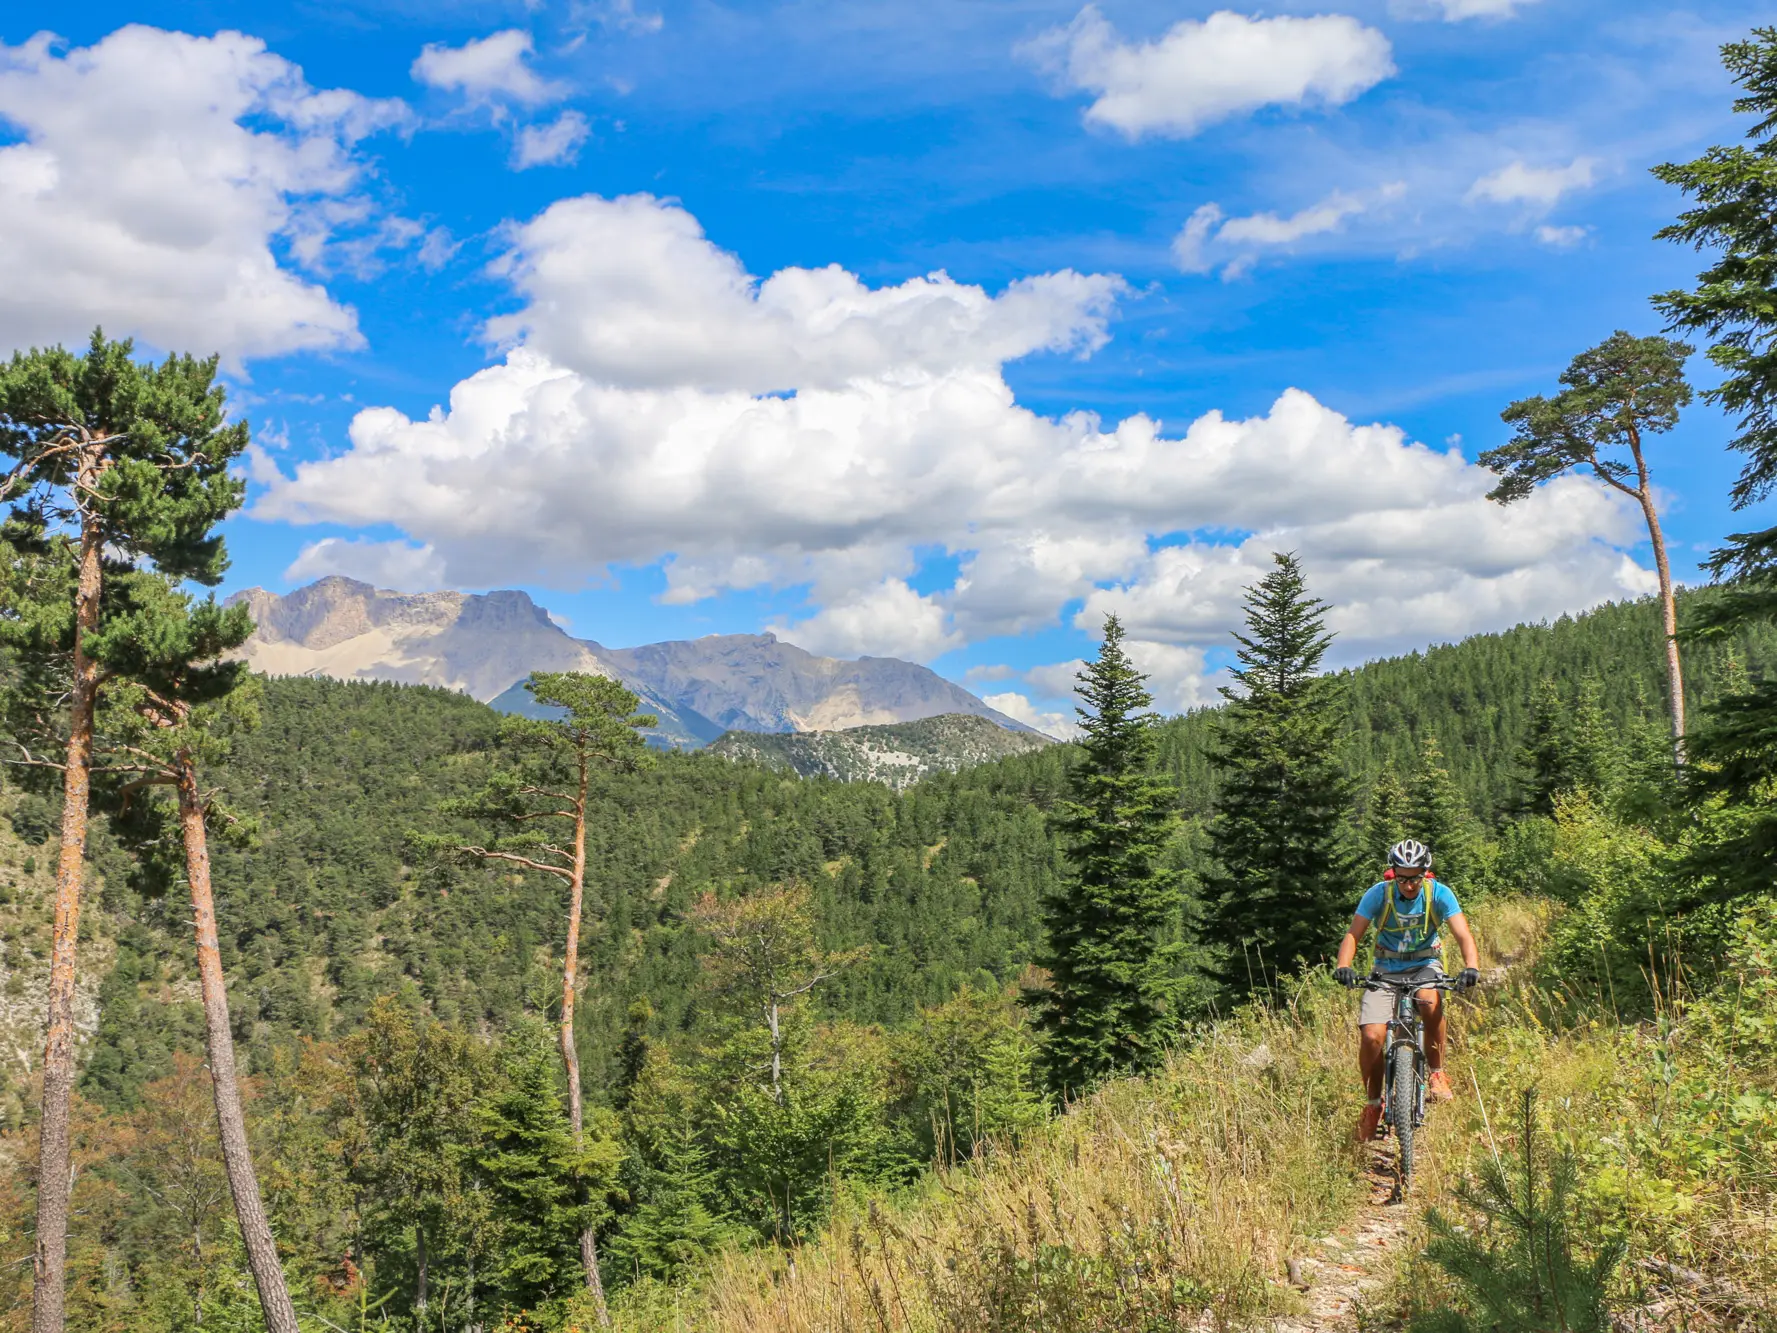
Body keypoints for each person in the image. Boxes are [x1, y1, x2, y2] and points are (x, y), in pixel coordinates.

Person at [1332, 838, 1480, 1143]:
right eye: (1402, 878)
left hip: (1425, 964)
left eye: (1414, 878)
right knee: (1372, 1035)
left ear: (1425, 873)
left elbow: (1462, 933)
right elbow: (1353, 934)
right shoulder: (1379, 894)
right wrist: (1344, 964)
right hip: (1385, 969)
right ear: (1393, 874)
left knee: (1428, 1000)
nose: (1409, 885)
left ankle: (1437, 1073)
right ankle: (1373, 1105)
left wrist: (1471, 966)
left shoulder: (1438, 894)